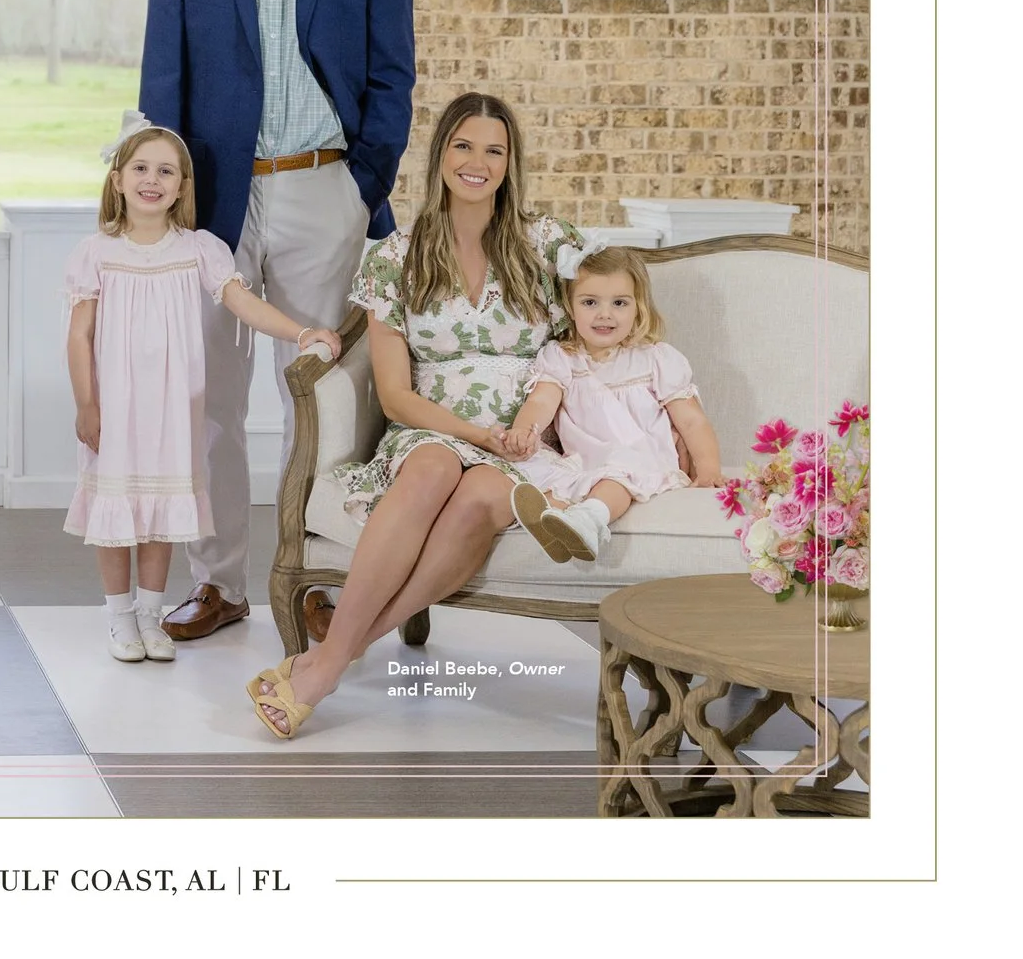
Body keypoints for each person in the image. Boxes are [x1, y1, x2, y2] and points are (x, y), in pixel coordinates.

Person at [138, 0, 415, 643]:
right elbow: (162, 81)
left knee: (325, 393)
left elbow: (391, 76)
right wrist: (172, 206)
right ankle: (217, 585)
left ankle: (324, 576)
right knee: (211, 399)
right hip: (214, 200)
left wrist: (359, 182)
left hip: (324, 189)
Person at [246, 91, 585, 738]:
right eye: (463, 145)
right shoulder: (395, 256)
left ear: (511, 163)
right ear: (441, 157)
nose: (477, 161)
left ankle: (328, 661)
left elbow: (598, 331)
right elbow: (396, 396)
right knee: (430, 472)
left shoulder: (549, 246)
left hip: (519, 440)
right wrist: (467, 431)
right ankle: (331, 661)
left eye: (494, 149)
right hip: (431, 426)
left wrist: (534, 423)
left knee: (480, 497)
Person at [66, 118, 341, 662]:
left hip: (172, 410)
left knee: (162, 514)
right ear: (118, 180)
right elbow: (80, 334)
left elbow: (242, 302)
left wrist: (301, 332)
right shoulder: (97, 253)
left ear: (182, 187)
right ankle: (119, 617)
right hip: (117, 409)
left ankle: (150, 616)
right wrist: (86, 405)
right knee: (117, 514)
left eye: (166, 171)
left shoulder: (200, 250)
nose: (153, 180)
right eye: (141, 168)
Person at [500, 248, 722, 561]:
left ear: (638, 308)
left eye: (619, 303)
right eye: (590, 302)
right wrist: (525, 429)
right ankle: (553, 525)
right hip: (585, 458)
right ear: (570, 308)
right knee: (552, 475)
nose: (605, 314)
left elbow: (692, 421)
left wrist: (709, 467)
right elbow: (541, 401)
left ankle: (590, 519)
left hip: (641, 458)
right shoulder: (562, 357)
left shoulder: (654, 358)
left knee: (614, 480)